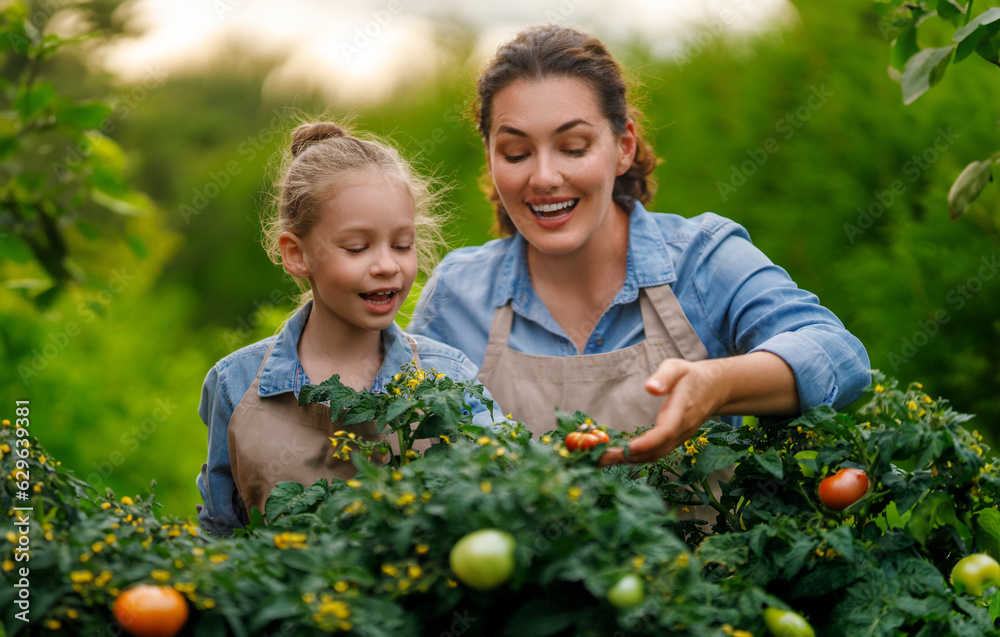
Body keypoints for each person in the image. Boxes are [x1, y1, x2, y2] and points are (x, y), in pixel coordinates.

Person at [408, 24, 871, 466]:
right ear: (491, 158)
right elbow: (405, 444)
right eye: (516, 153)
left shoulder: (701, 260)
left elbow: (840, 356)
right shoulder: (458, 293)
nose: (544, 178)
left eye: (573, 147)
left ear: (624, 146)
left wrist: (717, 383)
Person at [196, 122, 500, 536]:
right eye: (357, 248)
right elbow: (221, 532)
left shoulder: (450, 378)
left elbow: (507, 489)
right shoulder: (235, 384)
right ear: (297, 254)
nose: (386, 265)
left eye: (402, 245)